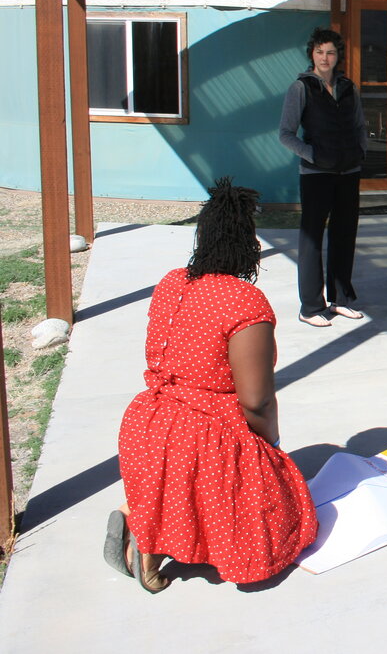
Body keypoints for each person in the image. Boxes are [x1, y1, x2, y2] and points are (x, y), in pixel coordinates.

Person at [105, 178, 318, 592]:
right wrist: (270, 445)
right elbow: (256, 401)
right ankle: (149, 527)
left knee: (188, 478)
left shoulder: (172, 281)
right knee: (286, 517)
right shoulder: (243, 301)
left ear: (203, 236)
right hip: (204, 434)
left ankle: (145, 528)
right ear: (249, 244)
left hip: (147, 424)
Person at [278, 27, 367, 327]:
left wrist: (359, 154)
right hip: (316, 175)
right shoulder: (300, 88)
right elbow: (286, 134)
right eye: (319, 52)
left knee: (344, 236)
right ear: (311, 54)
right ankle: (311, 307)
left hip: (348, 172)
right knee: (312, 239)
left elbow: (359, 127)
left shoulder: (348, 87)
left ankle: (340, 299)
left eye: (330, 52)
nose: (325, 57)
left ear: (338, 55)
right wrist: (312, 155)